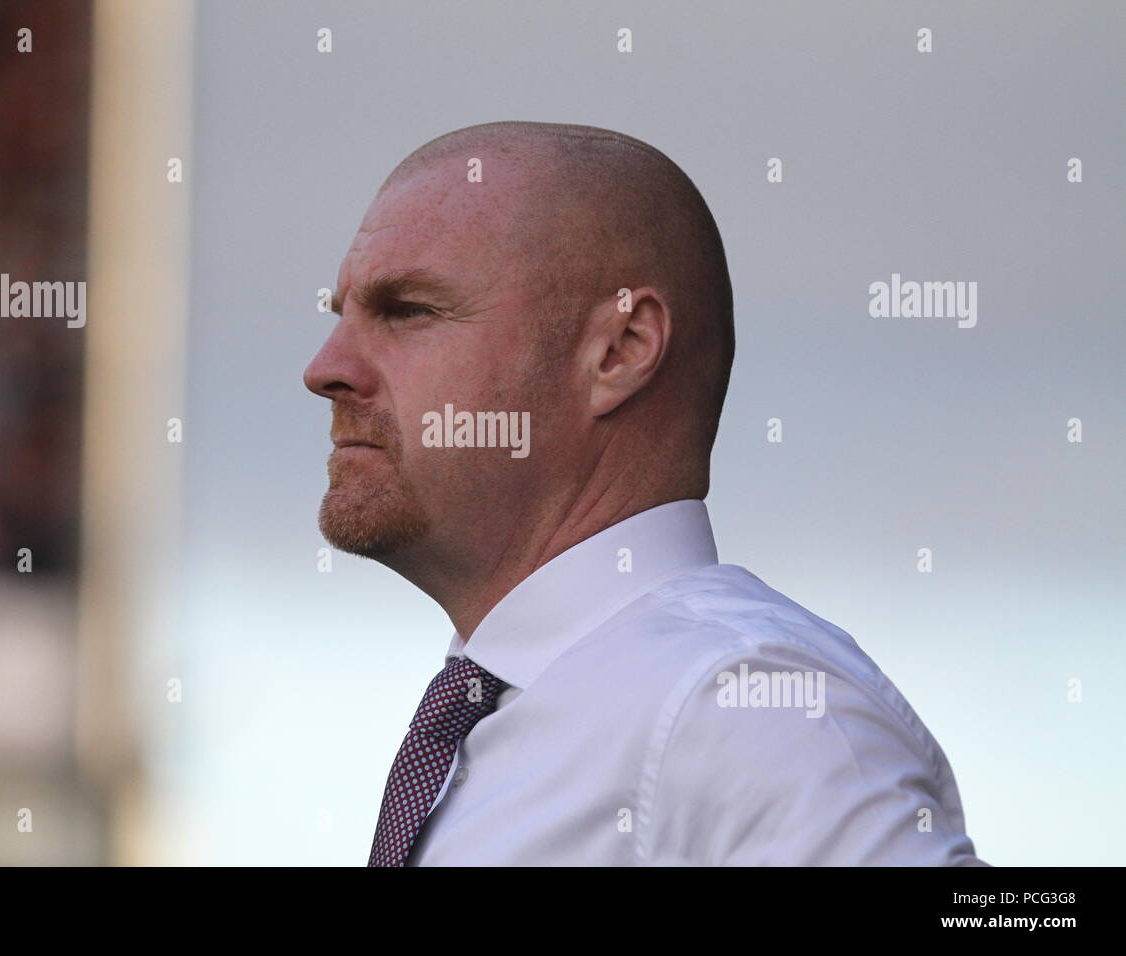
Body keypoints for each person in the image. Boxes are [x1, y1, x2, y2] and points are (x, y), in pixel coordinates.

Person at [303, 121, 984, 866]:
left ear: (621, 351)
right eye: (343, 316)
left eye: (408, 311)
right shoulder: (524, 713)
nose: (326, 367)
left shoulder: (736, 705)